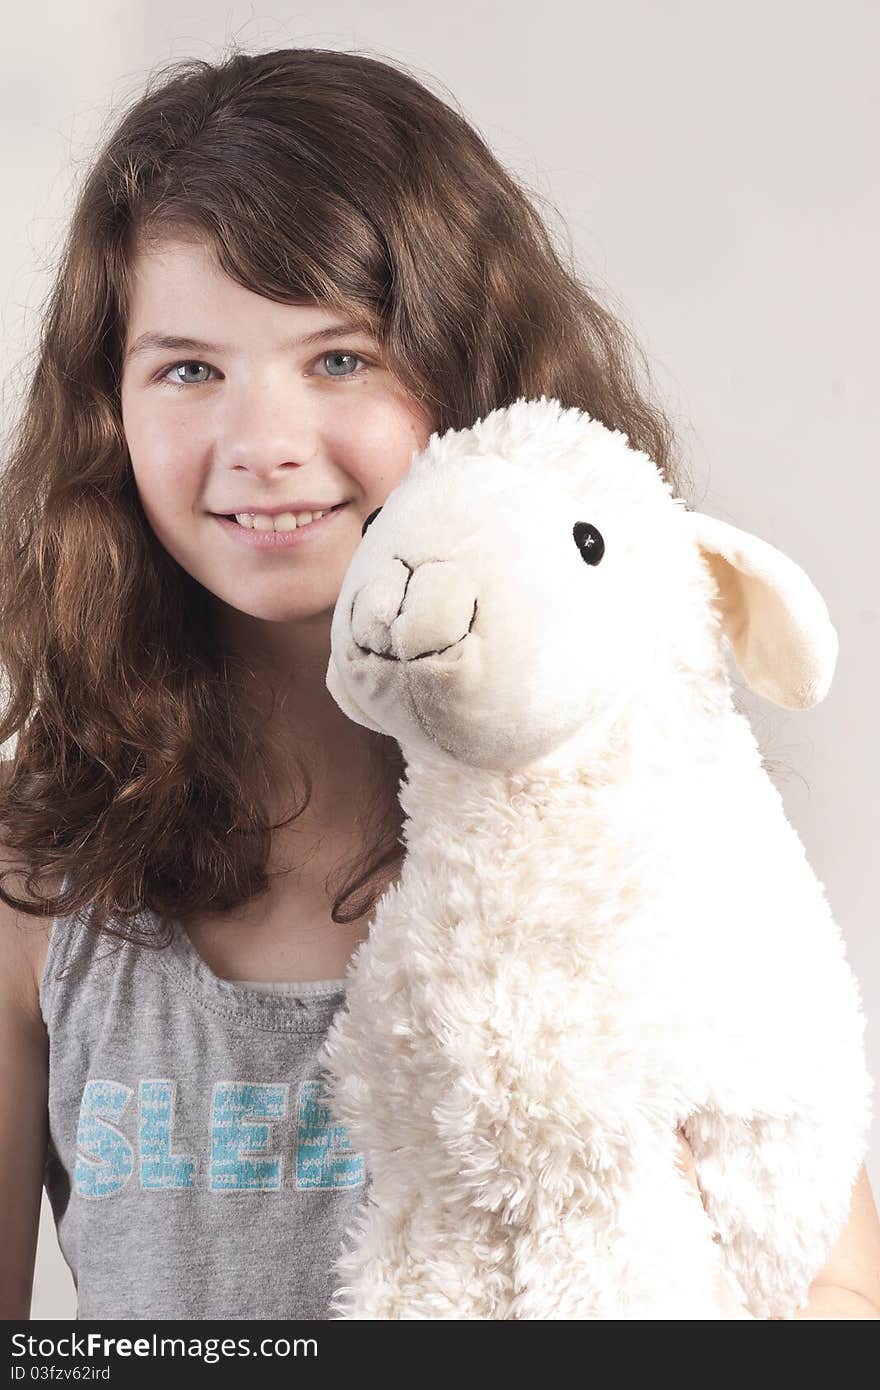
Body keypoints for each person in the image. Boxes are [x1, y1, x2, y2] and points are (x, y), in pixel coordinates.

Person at [0, 44, 877, 1322]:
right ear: (108, 408)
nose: (262, 445)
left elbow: (831, 1283)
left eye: (340, 358)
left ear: (473, 376)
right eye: (188, 367)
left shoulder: (633, 840)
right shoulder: (38, 873)